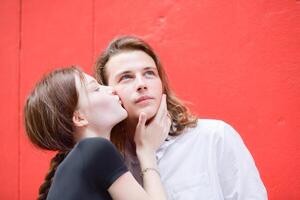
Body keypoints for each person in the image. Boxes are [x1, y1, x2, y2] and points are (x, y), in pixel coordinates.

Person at [94, 36, 268, 199]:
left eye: (149, 73)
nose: (141, 84)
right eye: (126, 77)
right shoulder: (111, 162)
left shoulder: (214, 138)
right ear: (108, 92)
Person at [24, 66, 171, 200]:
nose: (111, 89)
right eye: (96, 89)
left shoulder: (79, 162)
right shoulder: (96, 149)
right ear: (79, 117)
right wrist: (147, 152)